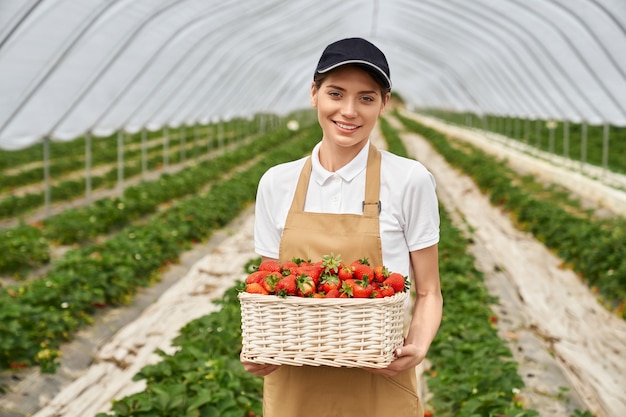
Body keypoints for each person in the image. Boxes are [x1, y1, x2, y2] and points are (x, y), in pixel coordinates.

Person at [241, 37, 442, 417]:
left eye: (366, 98)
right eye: (336, 93)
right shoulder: (276, 183)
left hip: (379, 379)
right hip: (294, 383)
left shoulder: (409, 180)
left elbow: (429, 291)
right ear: (314, 93)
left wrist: (418, 344)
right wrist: (259, 349)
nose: (349, 111)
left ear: (385, 104)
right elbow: (269, 289)